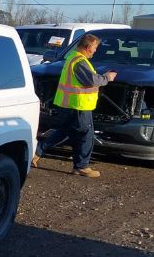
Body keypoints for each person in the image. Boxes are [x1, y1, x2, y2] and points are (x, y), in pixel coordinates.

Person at [31, 33, 117, 177]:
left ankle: (36, 152)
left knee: (65, 132)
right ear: (88, 47)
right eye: (95, 48)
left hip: (71, 104)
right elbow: (91, 80)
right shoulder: (79, 61)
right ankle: (81, 166)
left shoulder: (72, 57)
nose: (95, 51)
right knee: (85, 135)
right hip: (79, 105)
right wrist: (107, 78)